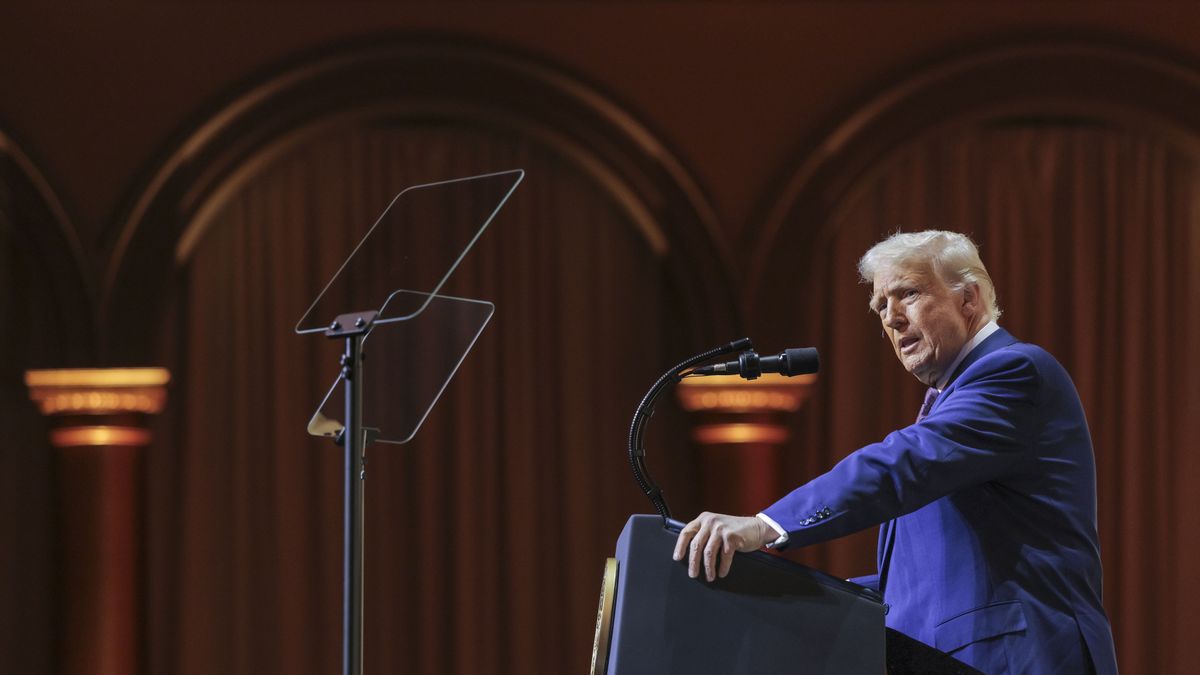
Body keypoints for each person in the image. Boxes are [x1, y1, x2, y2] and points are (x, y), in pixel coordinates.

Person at [673, 231, 1118, 674]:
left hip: (1016, 658)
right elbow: (925, 581)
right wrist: (805, 596)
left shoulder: (1014, 371)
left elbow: (903, 462)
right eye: (881, 306)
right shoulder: (953, 401)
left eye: (908, 293)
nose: (892, 318)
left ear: (970, 298)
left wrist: (765, 525)